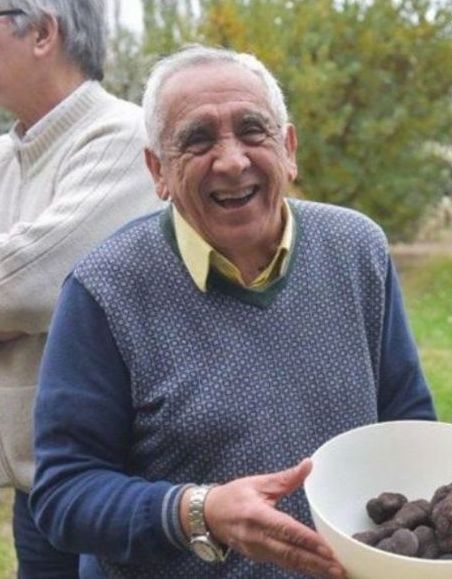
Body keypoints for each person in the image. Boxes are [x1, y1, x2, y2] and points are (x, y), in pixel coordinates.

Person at [30, 44, 436, 578]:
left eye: (252, 131)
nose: (232, 160)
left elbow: (408, 425)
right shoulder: (106, 288)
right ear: (158, 170)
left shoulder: (356, 248)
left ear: (288, 148)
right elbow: (65, 493)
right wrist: (198, 512)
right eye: (197, 140)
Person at [0, 0, 162, 577]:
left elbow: (25, 288)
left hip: (111, 487)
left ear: (42, 31)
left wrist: (26, 304)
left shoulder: (123, 137)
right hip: (37, 481)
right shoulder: (9, 153)